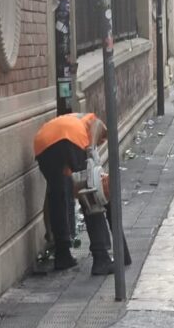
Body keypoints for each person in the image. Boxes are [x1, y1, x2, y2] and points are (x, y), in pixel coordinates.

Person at [34, 112, 115, 275]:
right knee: (90, 194)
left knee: (57, 196)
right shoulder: (92, 120)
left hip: (42, 144)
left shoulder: (71, 120)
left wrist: (49, 230)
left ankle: (62, 255)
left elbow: (49, 200)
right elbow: (98, 126)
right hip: (70, 137)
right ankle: (101, 259)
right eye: (101, 142)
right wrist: (92, 151)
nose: (100, 144)